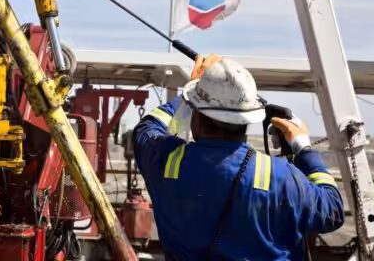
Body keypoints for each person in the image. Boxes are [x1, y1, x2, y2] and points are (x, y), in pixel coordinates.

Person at [132, 54, 345, 260]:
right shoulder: (280, 177)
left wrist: (191, 93)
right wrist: (303, 148)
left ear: (196, 116)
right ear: (246, 122)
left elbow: (147, 128)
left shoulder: (166, 163)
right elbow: (332, 211)